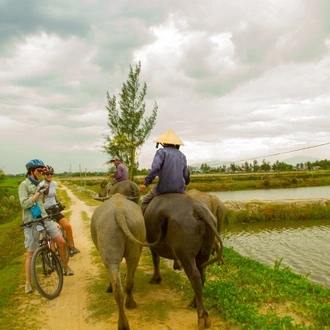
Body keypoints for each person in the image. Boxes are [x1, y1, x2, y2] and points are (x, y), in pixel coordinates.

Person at [19, 159, 74, 294]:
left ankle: (65, 266)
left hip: (44, 217)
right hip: (31, 221)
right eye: (39, 171)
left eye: (42, 171)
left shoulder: (39, 185)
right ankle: (27, 283)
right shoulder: (24, 185)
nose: (41, 173)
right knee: (31, 254)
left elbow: (41, 202)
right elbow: (24, 204)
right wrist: (38, 193)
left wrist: (43, 194)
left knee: (61, 242)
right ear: (31, 171)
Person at [139, 129, 190, 214]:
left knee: (144, 201)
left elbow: (155, 168)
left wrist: (146, 183)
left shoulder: (161, 152)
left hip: (162, 189)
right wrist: (185, 184)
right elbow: (186, 173)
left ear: (163, 143)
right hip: (180, 190)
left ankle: (143, 224)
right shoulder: (182, 155)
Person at [41, 165, 80, 256]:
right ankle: (52, 254)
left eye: (51, 174)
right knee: (47, 233)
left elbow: (54, 196)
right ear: (44, 174)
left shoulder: (54, 184)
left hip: (54, 209)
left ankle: (71, 247)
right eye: (47, 174)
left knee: (68, 226)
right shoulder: (41, 185)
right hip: (44, 210)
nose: (49, 175)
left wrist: (59, 205)